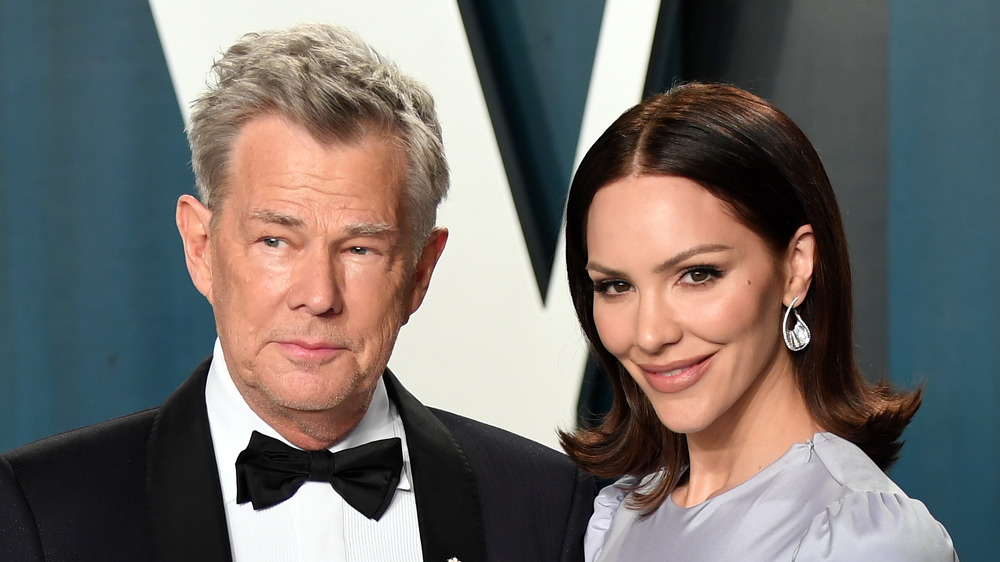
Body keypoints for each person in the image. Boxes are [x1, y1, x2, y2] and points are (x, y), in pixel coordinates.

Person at [0, 23, 593, 562]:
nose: (318, 296)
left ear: (419, 272)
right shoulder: (42, 512)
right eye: (276, 241)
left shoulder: (549, 507)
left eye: (360, 249)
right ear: (201, 247)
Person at [558, 82, 957, 561]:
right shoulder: (615, 518)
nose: (650, 334)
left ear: (795, 267)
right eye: (615, 286)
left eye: (697, 274)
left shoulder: (863, 540)